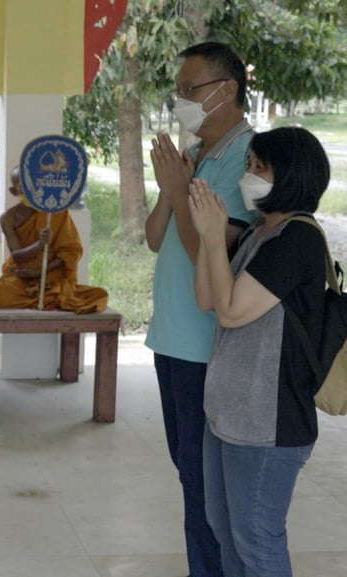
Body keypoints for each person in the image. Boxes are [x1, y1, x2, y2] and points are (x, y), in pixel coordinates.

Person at [188, 126, 329, 577]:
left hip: (268, 423)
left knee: (257, 542)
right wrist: (209, 238)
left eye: (259, 169)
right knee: (225, 531)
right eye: (249, 167)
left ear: (289, 176)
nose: (248, 177)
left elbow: (230, 310)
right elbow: (208, 298)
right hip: (228, 413)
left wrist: (212, 238)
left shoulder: (296, 240)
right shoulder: (258, 233)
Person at [144, 41, 256, 577]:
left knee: (204, 482)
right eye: (179, 91)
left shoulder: (246, 157)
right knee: (190, 474)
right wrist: (172, 189)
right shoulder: (200, 155)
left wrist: (181, 186)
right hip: (171, 339)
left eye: (192, 90)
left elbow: (212, 253)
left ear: (227, 90)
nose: (182, 101)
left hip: (205, 343)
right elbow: (153, 237)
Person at [0, 166, 108, 312]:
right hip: (23, 275)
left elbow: (68, 252)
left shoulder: (55, 211)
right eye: (25, 186)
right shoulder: (8, 218)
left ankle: (49, 296)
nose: (32, 189)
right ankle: (51, 298)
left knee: (98, 294)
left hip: (51, 274)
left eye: (35, 183)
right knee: (0, 296)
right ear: (14, 191)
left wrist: (40, 273)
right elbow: (17, 256)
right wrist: (39, 245)